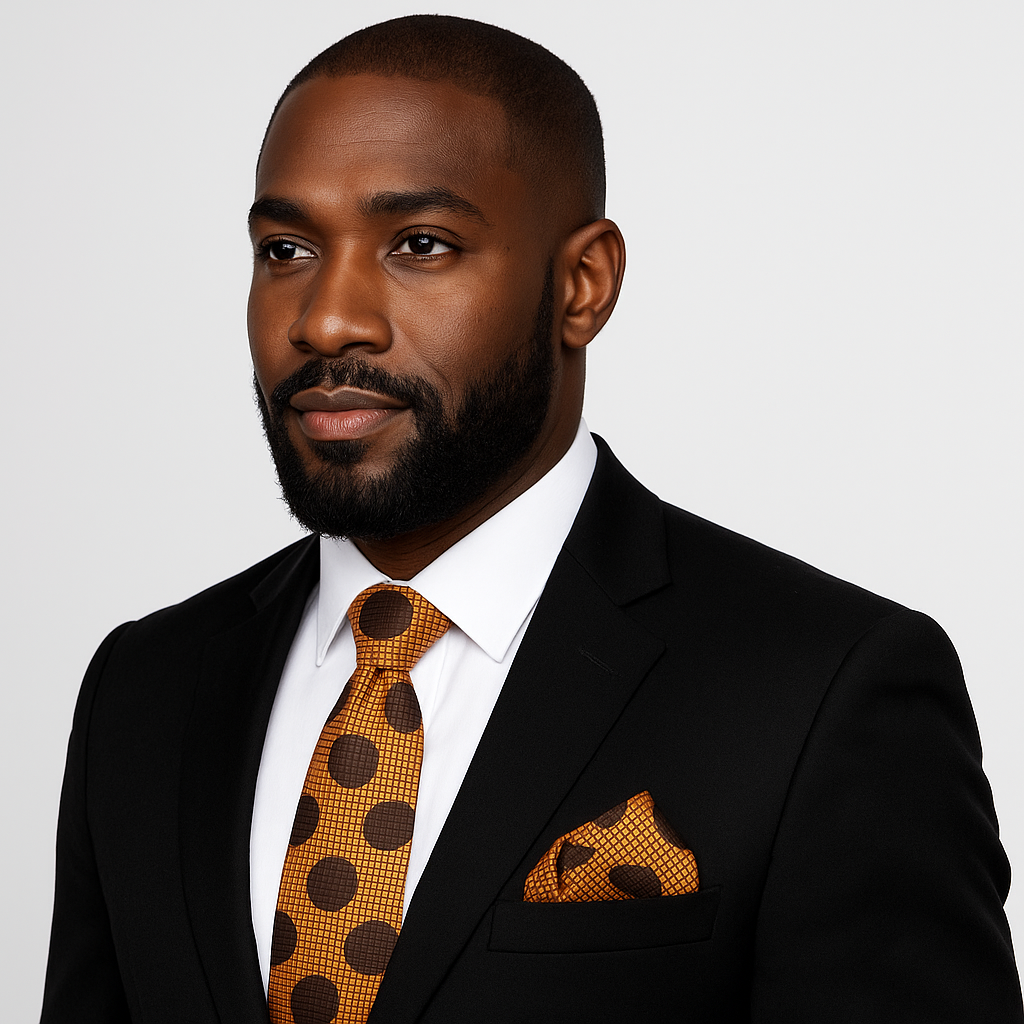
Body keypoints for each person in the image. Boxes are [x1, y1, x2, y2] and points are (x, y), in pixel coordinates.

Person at [41, 14, 1022, 1024]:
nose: (326, 318)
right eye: (285, 247)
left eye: (419, 244)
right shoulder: (143, 692)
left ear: (581, 285)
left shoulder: (821, 692)